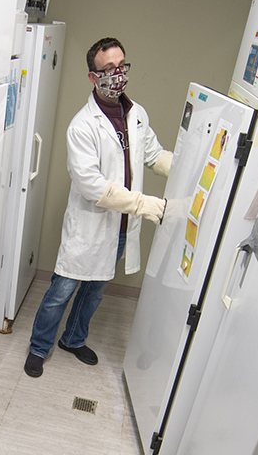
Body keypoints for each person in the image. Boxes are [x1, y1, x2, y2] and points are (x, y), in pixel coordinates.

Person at [23, 37, 173, 378]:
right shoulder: (82, 126)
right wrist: (141, 203)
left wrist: (192, 166)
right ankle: (39, 347)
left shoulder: (137, 114)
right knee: (60, 292)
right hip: (91, 226)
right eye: (108, 69)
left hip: (121, 228)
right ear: (94, 77)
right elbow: (91, 185)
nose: (117, 74)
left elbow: (153, 155)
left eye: (121, 66)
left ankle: (73, 339)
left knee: (94, 292)